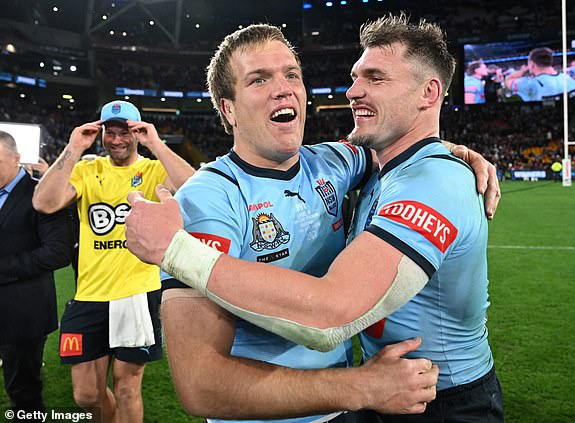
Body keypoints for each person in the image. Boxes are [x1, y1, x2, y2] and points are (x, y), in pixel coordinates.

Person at [125, 14, 503, 423]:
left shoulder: (334, 163)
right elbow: (201, 384)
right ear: (228, 109)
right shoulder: (208, 199)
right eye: (259, 80)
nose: (282, 88)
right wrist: (358, 387)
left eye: (291, 74)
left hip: (374, 405)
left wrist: (449, 153)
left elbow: (404, 147)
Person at [31, 100, 194, 423]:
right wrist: (75, 147)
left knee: (127, 389)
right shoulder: (88, 169)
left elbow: (193, 189)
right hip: (89, 293)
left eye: (125, 132)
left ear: (137, 133)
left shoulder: (152, 170)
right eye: (111, 132)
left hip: (137, 292)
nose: (117, 139)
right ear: (102, 133)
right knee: (85, 395)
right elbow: (44, 202)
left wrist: (156, 144)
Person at [0, 130, 75, 418]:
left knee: (23, 391)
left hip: (23, 313)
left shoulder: (42, 193)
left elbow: (58, 252)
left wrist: (4, 267)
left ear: (18, 159)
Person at [505, 46, 575, 102]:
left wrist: (524, 70)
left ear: (531, 64)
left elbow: (508, 80)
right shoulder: (570, 80)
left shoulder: (530, 84)